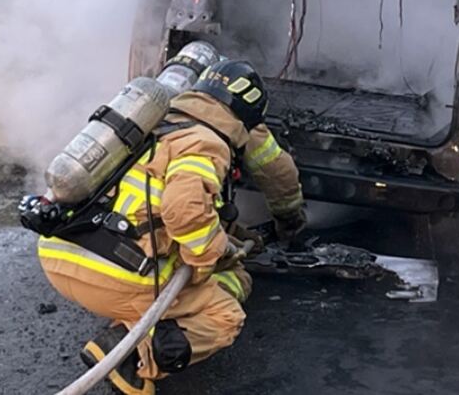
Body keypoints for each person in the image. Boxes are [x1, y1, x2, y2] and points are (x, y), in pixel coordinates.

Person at [38, 60, 305, 394]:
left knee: (191, 262)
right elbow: (184, 210)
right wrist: (210, 259)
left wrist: (227, 236)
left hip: (59, 251)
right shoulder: (208, 142)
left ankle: (129, 332)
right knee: (225, 314)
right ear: (247, 119)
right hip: (109, 275)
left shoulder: (154, 119)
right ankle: (132, 357)